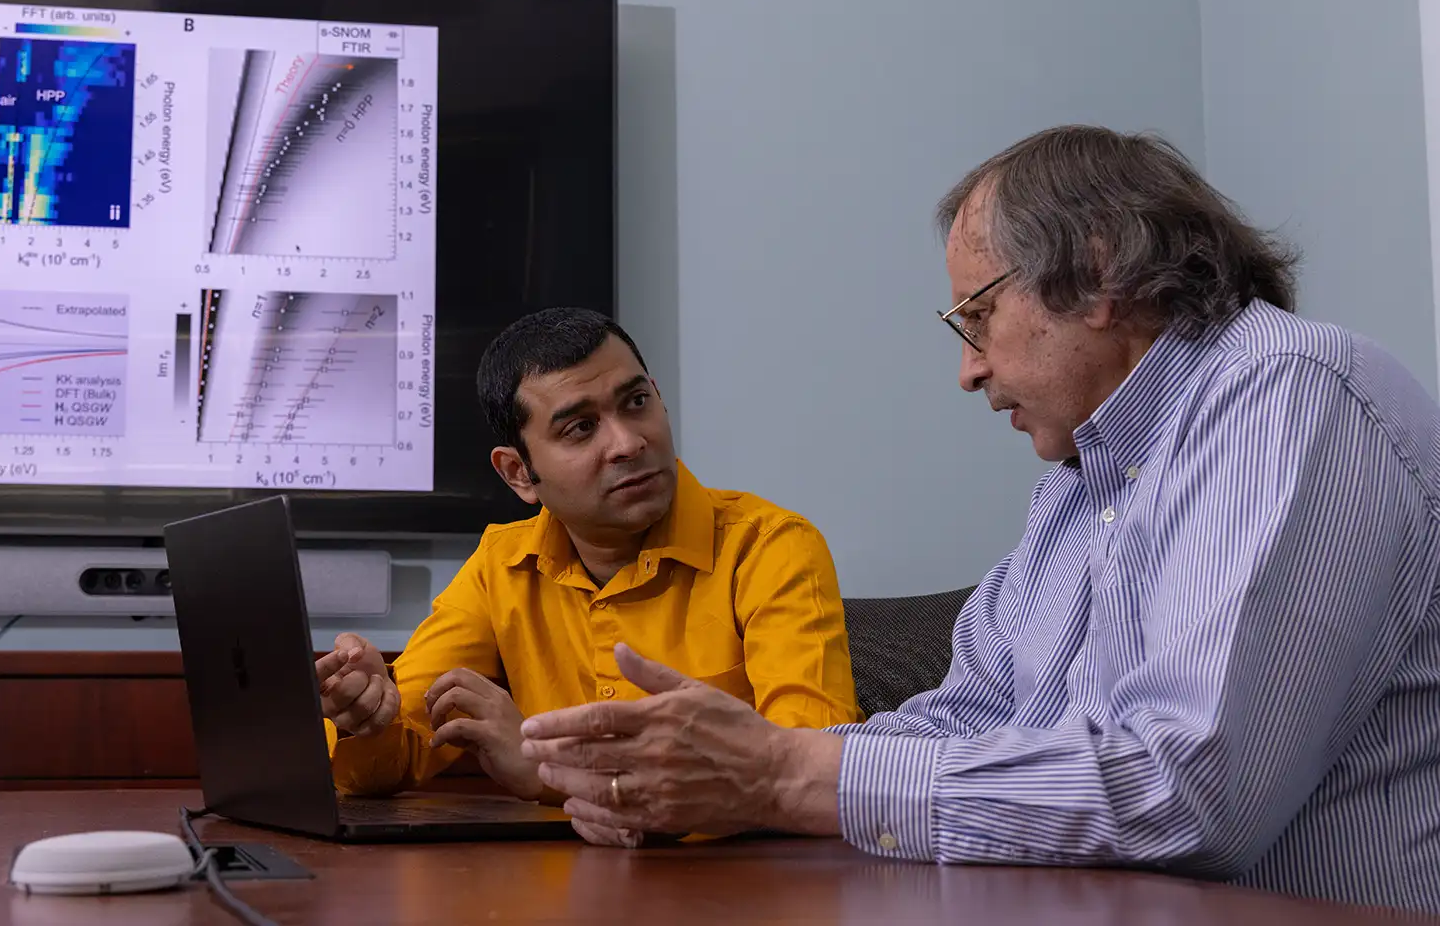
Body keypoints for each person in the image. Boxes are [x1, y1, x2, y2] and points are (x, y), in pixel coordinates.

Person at [517, 125, 1440, 912]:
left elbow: (1184, 792)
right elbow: (965, 720)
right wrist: (730, 772)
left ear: (1101, 267)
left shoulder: (1287, 401)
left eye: (979, 315)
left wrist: (780, 777)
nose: (969, 370)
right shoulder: (1083, 485)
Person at [315, 306, 861, 846]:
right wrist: (367, 717)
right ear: (518, 473)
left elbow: (810, 771)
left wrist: (547, 770)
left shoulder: (768, 546)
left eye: (637, 402)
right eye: (580, 428)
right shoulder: (498, 567)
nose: (628, 443)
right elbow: (392, 762)